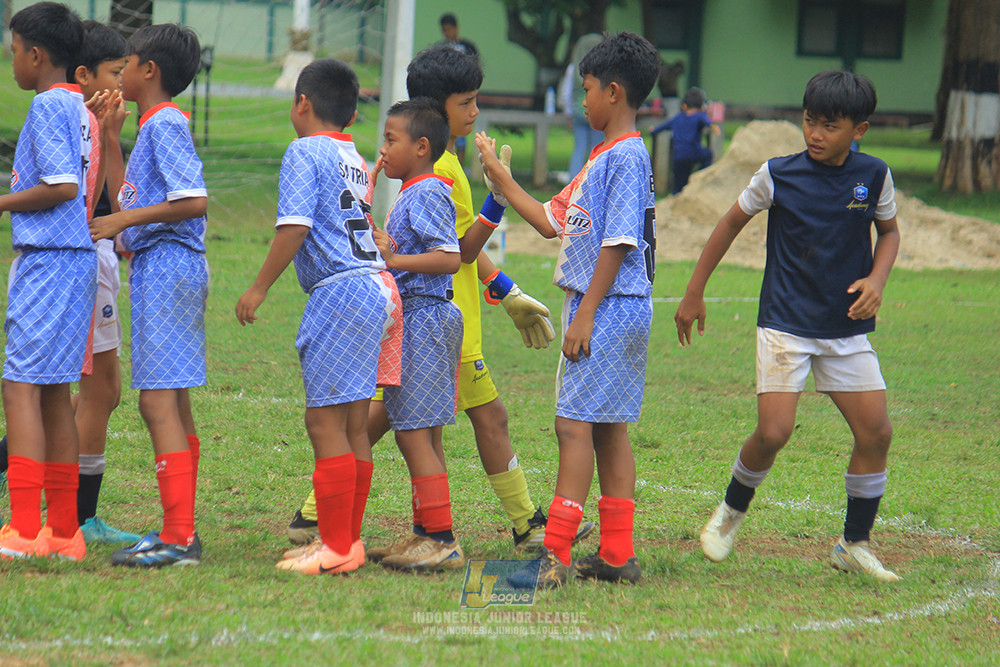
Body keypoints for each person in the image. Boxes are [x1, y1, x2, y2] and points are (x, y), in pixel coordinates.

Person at [288, 45, 588, 557]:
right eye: (466, 103)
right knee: (411, 423)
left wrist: (501, 284)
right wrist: (501, 272)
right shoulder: (439, 170)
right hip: (442, 318)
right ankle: (462, 528)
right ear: (436, 113)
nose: (475, 113)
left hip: (433, 314)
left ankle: (440, 532)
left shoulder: (433, 171)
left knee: (408, 423)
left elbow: (456, 250)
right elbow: (463, 248)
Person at [674, 70, 901, 582]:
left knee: (877, 432)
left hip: (845, 327)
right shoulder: (778, 173)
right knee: (774, 431)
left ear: (858, 130)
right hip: (785, 322)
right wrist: (694, 290)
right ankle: (729, 516)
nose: (815, 134)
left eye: (830, 126)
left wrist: (877, 279)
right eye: (809, 122)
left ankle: (854, 543)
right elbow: (730, 222)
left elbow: (888, 234)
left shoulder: (875, 176)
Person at [476, 31, 660, 587]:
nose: (580, 101)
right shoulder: (600, 156)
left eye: (585, 91)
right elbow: (553, 222)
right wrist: (502, 181)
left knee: (572, 426)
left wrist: (585, 315)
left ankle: (553, 555)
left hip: (609, 306)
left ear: (614, 91)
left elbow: (619, 242)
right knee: (608, 431)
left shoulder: (627, 155)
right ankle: (617, 555)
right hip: (611, 305)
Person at [236, 59, 397, 576]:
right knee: (352, 424)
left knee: (323, 420)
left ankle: (334, 546)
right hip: (374, 287)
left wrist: (258, 288)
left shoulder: (304, 150)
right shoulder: (350, 153)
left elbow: (295, 228)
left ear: (302, 103)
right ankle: (346, 542)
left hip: (342, 290)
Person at [89, 24, 209, 568]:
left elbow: (192, 202)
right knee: (174, 400)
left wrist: (120, 218)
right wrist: (112, 139)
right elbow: (132, 202)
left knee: (155, 400)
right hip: (164, 267)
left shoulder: (165, 125)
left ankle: (178, 538)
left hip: (169, 269)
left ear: (149, 72)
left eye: (127, 64)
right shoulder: (153, 124)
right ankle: (181, 531)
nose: (121, 73)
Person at [0, 2, 92, 562]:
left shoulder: (46, 105)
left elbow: (60, 186)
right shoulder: (77, 105)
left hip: (50, 257)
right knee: (56, 394)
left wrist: (3, 201)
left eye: (12, 50)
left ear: (36, 55)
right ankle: (63, 532)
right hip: (73, 259)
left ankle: (22, 528)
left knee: (20, 389)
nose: (11, 61)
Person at [372, 97, 465, 572]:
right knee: (422, 433)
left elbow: (449, 258)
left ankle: (444, 540)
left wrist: (395, 261)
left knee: (413, 435)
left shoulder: (427, 191)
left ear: (422, 147)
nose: (383, 149)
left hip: (424, 319)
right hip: (418, 318)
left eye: (391, 140)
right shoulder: (412, 191)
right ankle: (424, 533)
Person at [67, 20, 142, 546]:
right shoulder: (77, 120)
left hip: (90, 259)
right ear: (84, 74)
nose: (122, 82)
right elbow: (110, 203)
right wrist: (107, 136)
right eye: (116, 71)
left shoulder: (79, 116)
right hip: (85, 260)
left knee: (80, 390)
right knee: (102, 388)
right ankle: (80, 516)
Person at [650, 87, 721, 194]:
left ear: (684, 106)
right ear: (702, 106)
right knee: (708, 154)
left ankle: (676, 197)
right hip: (694, 152)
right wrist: (712, 126)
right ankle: (702, 176)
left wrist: (653, 130)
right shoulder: (700, 115)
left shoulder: (678, 118)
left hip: (678, 156)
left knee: (679, 184)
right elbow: (706, 121)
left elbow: (663, 126)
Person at [561, 33, 604, 178]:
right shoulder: (603, 70)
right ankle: (591, 182)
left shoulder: (573, 68)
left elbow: (566, 92)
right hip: (597, 113)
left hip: (578, 112)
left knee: (579, 148)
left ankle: (572, 182)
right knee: (596, 148)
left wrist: (568, 112)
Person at [437, 13, 477, 165]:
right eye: (444, 30)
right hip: (447, 95)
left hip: (463, 93)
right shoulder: (441, 48)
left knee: (461, 131)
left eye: (449, 29)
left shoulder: (467, 47)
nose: (447, 33)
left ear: (456, 28)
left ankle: (459, 164)